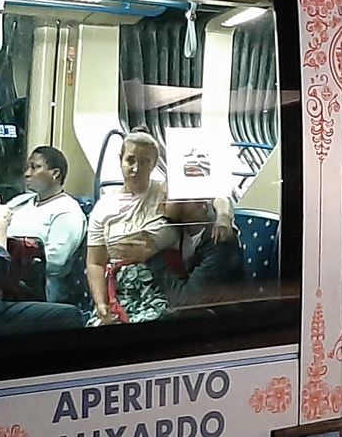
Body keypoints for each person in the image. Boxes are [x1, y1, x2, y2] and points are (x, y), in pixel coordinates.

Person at [86, 130, 234, 325]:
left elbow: (214, 194)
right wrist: (101, 304)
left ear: (154, 164)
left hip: (162, 287)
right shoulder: (103, 206)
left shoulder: (167, 191)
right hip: (120, 288)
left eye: (145, 161)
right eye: (130, 160)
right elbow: (95, 261)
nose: (136, 168)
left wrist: (224, 217)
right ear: (120, 159)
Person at [0, 146, 87, 307]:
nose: (27, 173)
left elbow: (55, 263)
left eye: (35, 167)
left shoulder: (67, 211)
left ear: (55, 174)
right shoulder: (20, 201)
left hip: (34, 293)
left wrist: (16, 254)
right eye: (28, 167)